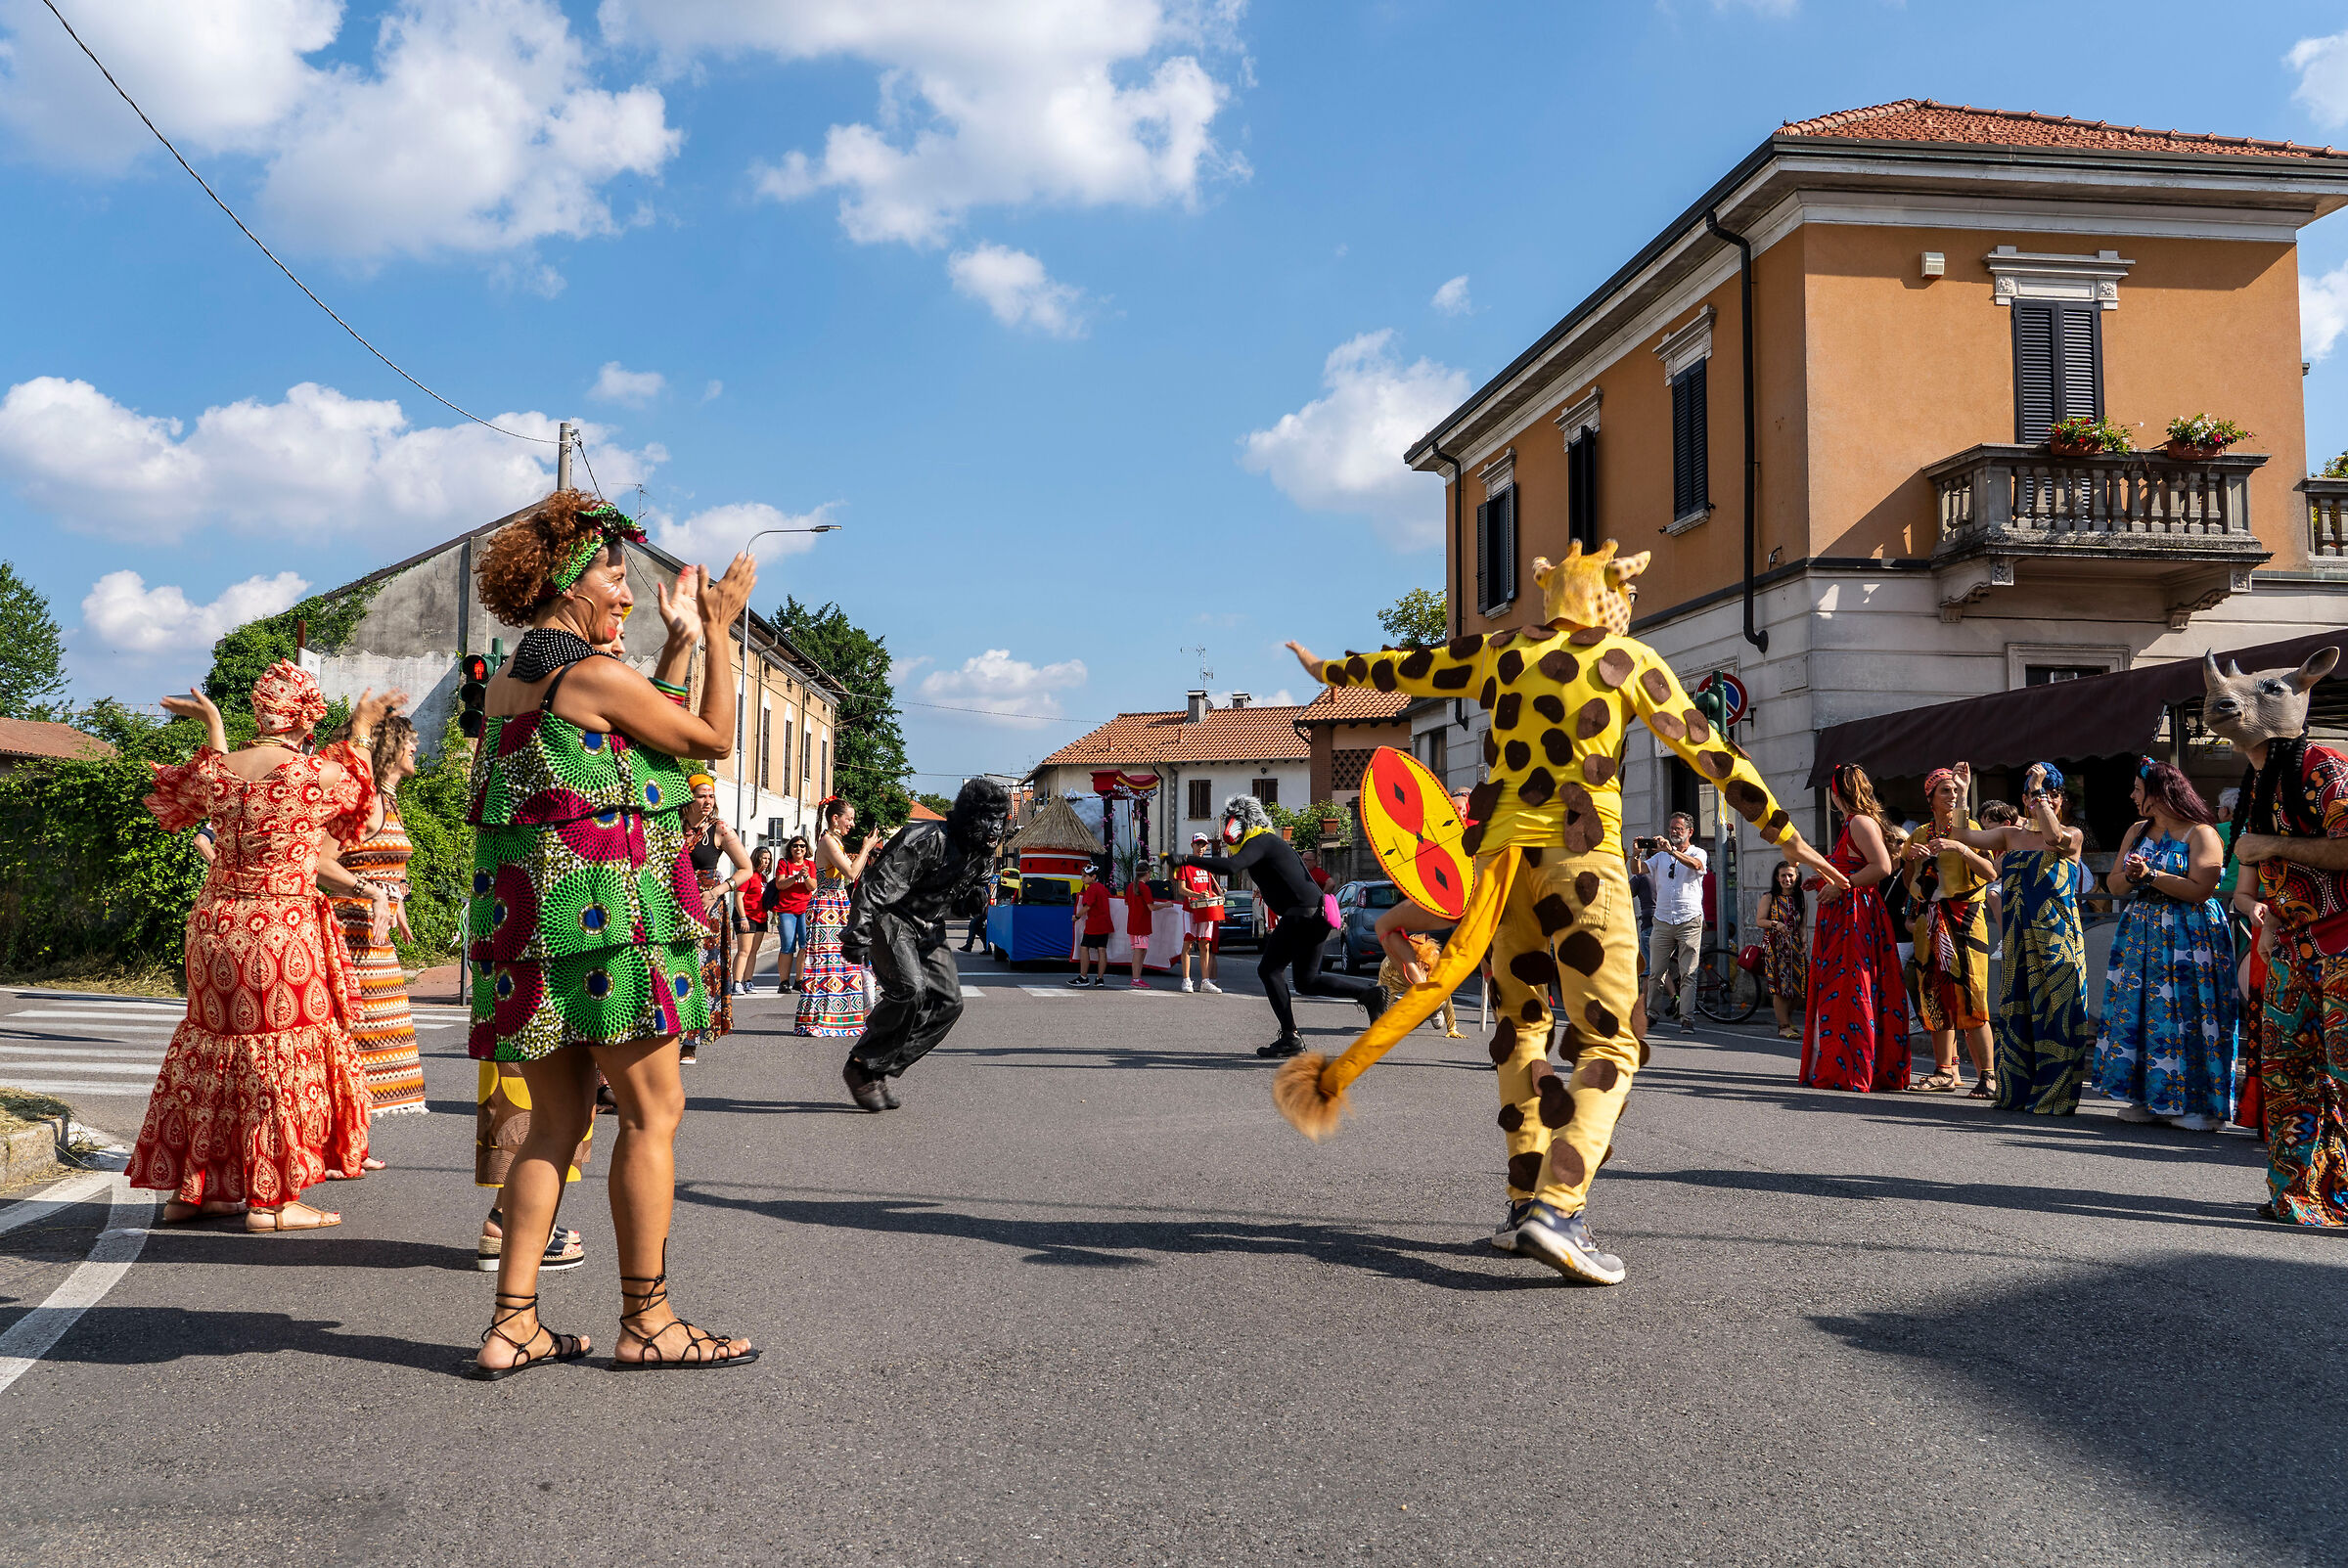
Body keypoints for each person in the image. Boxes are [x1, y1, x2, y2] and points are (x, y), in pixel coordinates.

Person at [1280, 540, 1843, 1285]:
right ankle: (1559, 1206)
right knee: (1613, 1043)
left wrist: (1333, 670)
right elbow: (1713, 754)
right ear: (1609, 594)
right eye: (1626, 589)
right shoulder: (1629, 660)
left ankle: (1522, 1205)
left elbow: (1411, 666)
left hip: (1502, 868)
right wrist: (1789, 835)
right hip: (1583, 864)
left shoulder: (1501, 651)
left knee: (1521, 1028)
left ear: (1551, 593)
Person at [463, 488, 757, 1376]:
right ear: (566, 582)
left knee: (554, 1123)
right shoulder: (588, 674)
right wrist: (720, 632)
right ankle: (650, 1319)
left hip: (533, 934)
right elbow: (706, 737)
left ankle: (512, 1322)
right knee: (652, 1111)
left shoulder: (519, 679)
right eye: (612, 575)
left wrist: (672, 644)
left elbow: (630, 734)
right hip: (609, 928)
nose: (623, 592)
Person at [131, 668, 401, 1231]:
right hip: (279, 928)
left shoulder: (217, 771)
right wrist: (362, 727)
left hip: (213, 927)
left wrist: (213, 724)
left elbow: (187, 799)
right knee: (279, 1053)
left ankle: (194, 1192)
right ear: (306, 716)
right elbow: (359, 800)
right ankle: (274, 1201)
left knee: (212, 1047)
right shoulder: (316, 776)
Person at [2213, 646, 2348, 1225]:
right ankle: (2297, 1195)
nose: (2228, 699)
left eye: (2267, 691)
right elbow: (2251, 875)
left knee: (2344, 1073)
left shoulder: (2325, 766)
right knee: (2287, 1075)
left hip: (2342, 940)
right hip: (2291, 943)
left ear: (2303, 691)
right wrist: (2261, 915)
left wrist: (2271, 847)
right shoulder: (2258, 780)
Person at [837, 779, 1013, 1109]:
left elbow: (959, 905)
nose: (994, 829)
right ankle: (862, 1065)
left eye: (999, 820)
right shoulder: (926, 840)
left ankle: (877, 1066)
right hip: (893, 919)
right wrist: (858, 932)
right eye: (987, 819)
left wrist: (972, 902)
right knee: (910, 989)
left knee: (950, 1004)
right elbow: (876, 886)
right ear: (968, 817)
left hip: (931, 928)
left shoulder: (982, 855)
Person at [1178, 795, 1385, 1057]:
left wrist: (1187, 859)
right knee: (1307, 982)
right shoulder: (1266, 842)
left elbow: (1231, 867)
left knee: (1269, 970)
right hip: (1315, 913)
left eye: (1231, 821)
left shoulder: (1260, 841)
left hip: (1302, 914)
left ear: (1244, 821)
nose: (1229, 828)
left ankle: (1290, 1037)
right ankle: (1370, 995)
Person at [2091, 758, 2236, 1130]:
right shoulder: (2137, 830)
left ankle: (2197, 1106)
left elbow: (2201, 890)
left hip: (2189, 935)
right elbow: (2115, 886)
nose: (2132, 796)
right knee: (2141, 1013)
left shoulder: (2201, 833)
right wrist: (2132, 875)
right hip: (2142, 935)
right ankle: (2146, 1098)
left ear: (2159, 794)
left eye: (2138, 791)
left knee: (2188, 1014)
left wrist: (2152, 874)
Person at [1953, 762, 2091, 1115]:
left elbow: (2053, 838)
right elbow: (1962, 836)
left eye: (2049, 794)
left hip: (2057, 938)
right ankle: (2018, 1091)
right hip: (2018, 939)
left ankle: (2054, 1097)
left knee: (2057, 1013)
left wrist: (2042, 792)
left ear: (2061, 799)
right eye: (2030, 794)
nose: (2039, 799)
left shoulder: (2071, 835)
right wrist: (1964, 793)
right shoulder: (2010, 835)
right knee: (2019, 1013)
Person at [320, 709, 429, 1133]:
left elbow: (380, 862)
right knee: (354, 1040)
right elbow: (320, 860)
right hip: (350, 934)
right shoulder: (365, 804)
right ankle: (335, 1140)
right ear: (390, 747)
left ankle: (348, 1141)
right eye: (409, 739)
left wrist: (395, 900)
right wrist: (372, 892)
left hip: (374, 938)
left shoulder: (389, 800)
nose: (416, 746)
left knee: (371, 1043)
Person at [1802, 764, 1912, 1094]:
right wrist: (1825, 879)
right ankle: (1847, 1065)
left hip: (1854, 917)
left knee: (1852, 988)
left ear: (1836, 794)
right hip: (1847, 914)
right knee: (1846, 988)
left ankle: (1852, 1069)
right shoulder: (1855, 822)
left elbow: (1882, 866)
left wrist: (1841, 885)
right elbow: (1859, 865)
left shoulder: (1860, 822)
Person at [1900, 768, 1998, 1097]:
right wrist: (1910, 860)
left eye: (1955, 790)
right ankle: (1945, 1070)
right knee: (1935, 994)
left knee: (1972, 994)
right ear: (1930, 798)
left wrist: (1962, 850)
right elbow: (1909, 884)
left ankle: (1988, 1075)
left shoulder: (1969, 829)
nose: (1952, 795)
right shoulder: (1919, 835)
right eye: (1945, 790)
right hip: (1931, 920)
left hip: (1966, 917)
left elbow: (1989, 873)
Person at [796, 795, 881, 1036]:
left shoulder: (834, 841)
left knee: (841, 963)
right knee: (829, 963)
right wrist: (866, 847)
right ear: (835, 819)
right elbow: (852, 873)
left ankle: (839, 1016)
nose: (852, 824)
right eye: (849, 819)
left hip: (836, 904)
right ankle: (824, 1018)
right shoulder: (828, 841)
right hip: (827, 905)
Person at [683, 777, 752, 1060]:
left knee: (700, 971)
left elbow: (745, 868)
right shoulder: (670, 825)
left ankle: (691, 1042)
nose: (707, 801)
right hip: (670, 901)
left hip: (706, 906)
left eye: (710, 796)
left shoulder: (720, 829)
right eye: (701, 796)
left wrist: (718, 890)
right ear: (688, 798)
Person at [1644, 813, 1707, 1035]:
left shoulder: (1698, 852)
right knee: (1656, 971)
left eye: (1679, 828)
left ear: (1690, 831)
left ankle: (1686, 1019)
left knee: (1688, 972)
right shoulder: (1660, 857)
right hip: (1662, 919)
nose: (1674, 831)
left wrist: (1671, 851)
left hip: (1689, 919)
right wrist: (1635, 854)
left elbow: (1697, 866)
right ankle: (1651, 1014)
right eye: (1672, 828)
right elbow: (1638, 870)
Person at [1755, 860, 1806, 1041]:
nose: (1787, 879)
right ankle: (1783, 1026)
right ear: (1777, 878)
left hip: (1796, 948)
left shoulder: (1799, 896)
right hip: (1776, 948)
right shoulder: (1769, 897)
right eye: (1783, 875)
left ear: (1797, 876)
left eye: (1790, 875)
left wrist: (1804, 938)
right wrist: (1776, 924)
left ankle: (1787, 1018)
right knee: (1780, 988)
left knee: (1801, 989)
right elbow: (1760, 920)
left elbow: (1802, 924)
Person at [1378, 932, 1461, 1037]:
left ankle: (1434, 1011)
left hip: (1421, 988)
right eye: (1417, 964)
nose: (1421, 968)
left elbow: (1445, 994)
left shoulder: (1431, 966)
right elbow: (1381, 994)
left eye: (1425, 966)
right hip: (1395, 983)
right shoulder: (1389, 966)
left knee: (1438, 1018)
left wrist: (1452, 1028)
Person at [1175, 832, 1225, 993]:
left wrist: (1215, 896)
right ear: (1192, 846)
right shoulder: (1185, 864)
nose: (1201, 848)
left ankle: (1205, 981)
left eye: (1204, 845)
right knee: (1188, 944)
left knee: (1205, 944)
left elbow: (1210, 888)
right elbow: (1181, 889)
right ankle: (1186, 980)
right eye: (1198, 844)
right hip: (1190, 909)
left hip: (1206, 909)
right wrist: (1197, 895)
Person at [770, 835, 816, 990]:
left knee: (804, 945)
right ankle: (783, 982)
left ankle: (799, 980)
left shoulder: (810, 864)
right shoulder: (784, 863)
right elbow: (780, 884)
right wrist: (796, 877)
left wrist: (806, 875)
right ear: (790, 848)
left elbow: (812, 886)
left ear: (806, 849)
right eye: (795, 845)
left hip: (804, 909)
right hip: (786, 909)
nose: (799, 849)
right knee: (787, 946)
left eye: (802, 846)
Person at [732, 845, 774, 996]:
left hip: (760, 917)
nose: (767, 861)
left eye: (769, 859)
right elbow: (738, 897)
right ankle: (736, 982)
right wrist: (743, 917)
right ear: (756, 857)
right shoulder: (747, 874)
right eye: (764, 858)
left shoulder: (763, 877)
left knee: (753, 952)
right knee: (744, 950)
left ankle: (748, 981)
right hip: (746, 916)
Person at [1071, 863, 1114, 987]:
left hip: (1094, 923)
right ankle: (1100, 979)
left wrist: (1077, 917)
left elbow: (1087, 906)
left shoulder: (1091, 889)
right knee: (1102, 950)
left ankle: (1083, 977)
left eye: (1085, 876)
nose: (1082, 879)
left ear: (1093, 877)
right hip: (1105, 923)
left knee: (1084, 947)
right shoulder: (1102, 887)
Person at [1124, 869, 1161, 989]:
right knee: (1139, 951)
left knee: (1139, 950)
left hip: (1133, 923)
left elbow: (1126, 903)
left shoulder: (1130, 887)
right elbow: (1151, 907)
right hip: (1141, 924)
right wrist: (1166, 905)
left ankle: (1137, 977)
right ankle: (1136, 978)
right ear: (1147, 873)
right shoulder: (1144, 888)